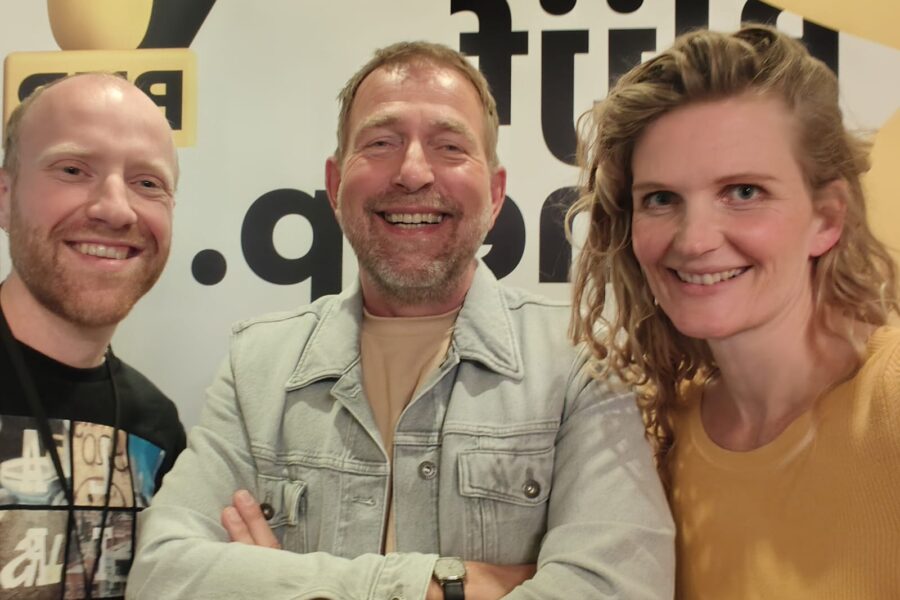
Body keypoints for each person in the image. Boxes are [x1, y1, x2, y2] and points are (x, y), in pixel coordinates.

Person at [129, 41, 674, 599]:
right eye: (381, 143)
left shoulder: (580, 362)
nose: (413, 172)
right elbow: (162, 577)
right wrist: (444, 587)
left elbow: (620, 589)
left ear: (495, 194)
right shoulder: (257, 367)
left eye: (449, 146)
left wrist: (278, 585)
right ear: (335, 186)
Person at [569, 24, 900, 599]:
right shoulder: (654, 433)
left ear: (826, 218)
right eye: (661, 199)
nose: (694, 240)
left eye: (744, 192)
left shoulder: (889, 399)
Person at [0, 73, 186, 599]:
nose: (116, 208)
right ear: (5, 197)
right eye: (73, 170)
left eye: (147, 183)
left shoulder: (157, 428)